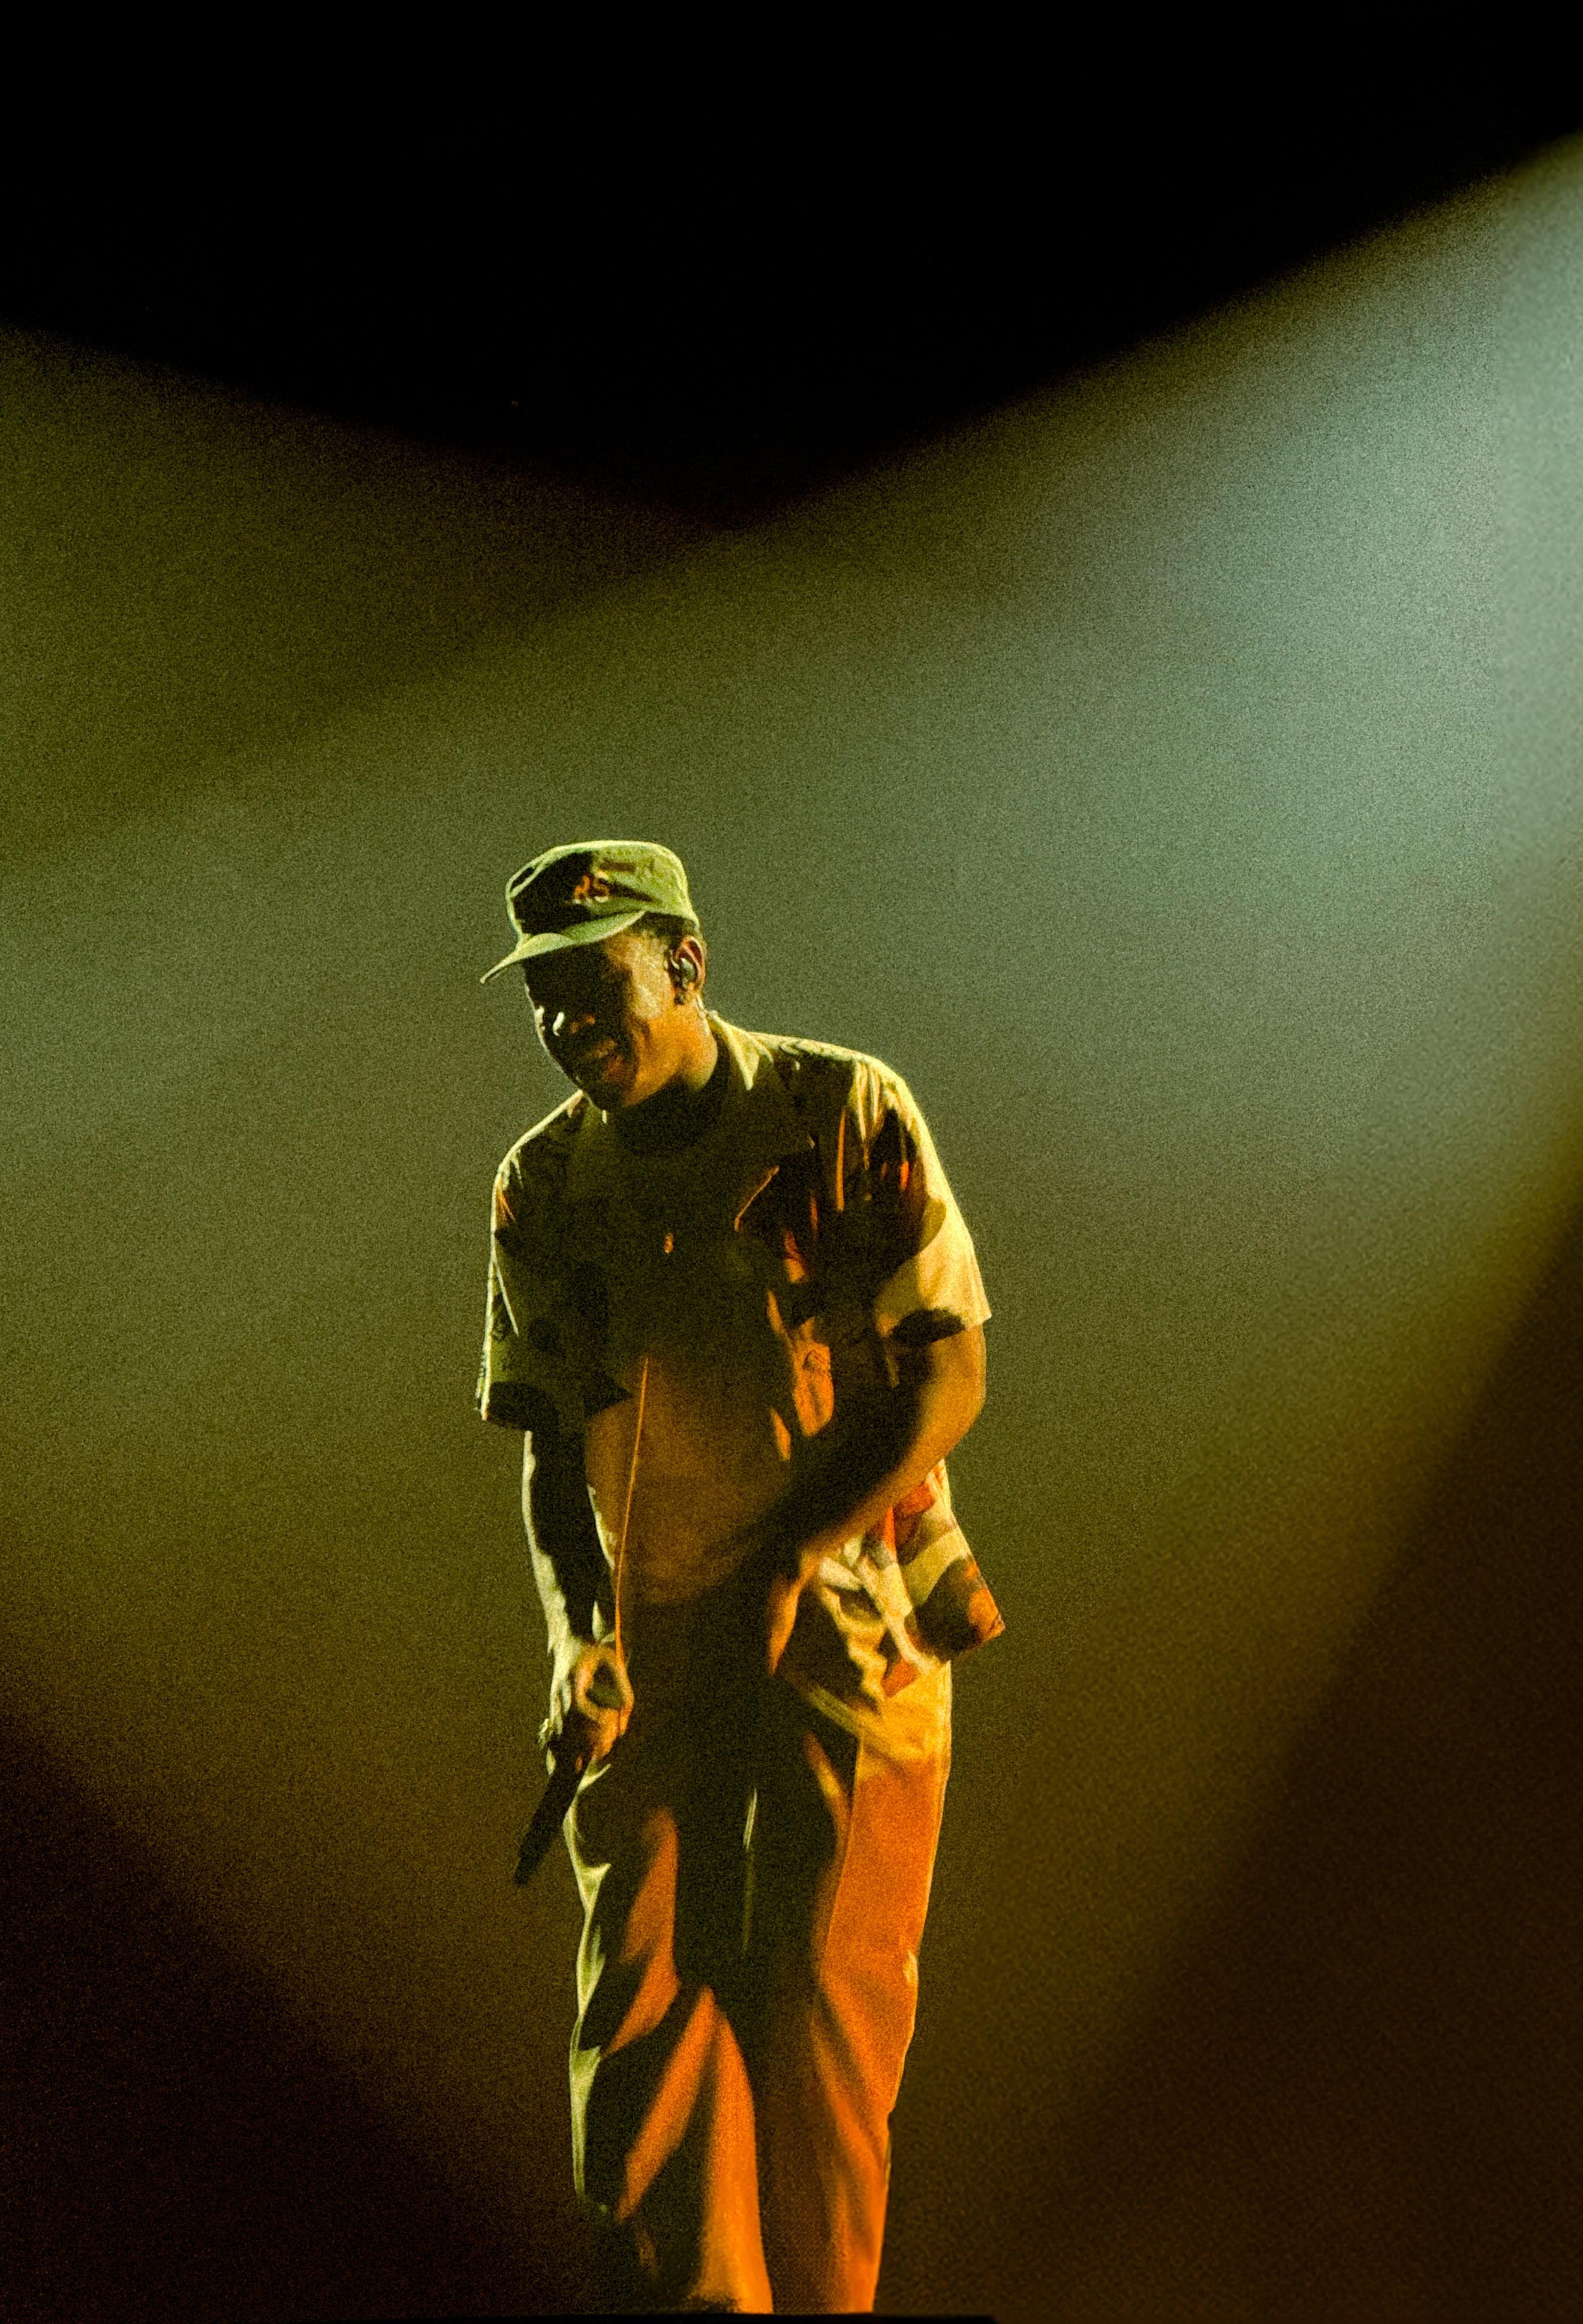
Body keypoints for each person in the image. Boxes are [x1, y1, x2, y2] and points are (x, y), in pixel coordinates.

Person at [474, 838, 1005, 2313]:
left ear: (685, 965)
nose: (574, 1025)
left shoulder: (841, 1113)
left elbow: (946, 1378)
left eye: (599, 987)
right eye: (546, 1002)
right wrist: (577, 1638)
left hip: (858, 1618)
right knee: (643, 2009)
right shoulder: (542, 1184)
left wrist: (790, 1551)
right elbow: (544, 1446)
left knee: (825, 2004)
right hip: (652, 1633)